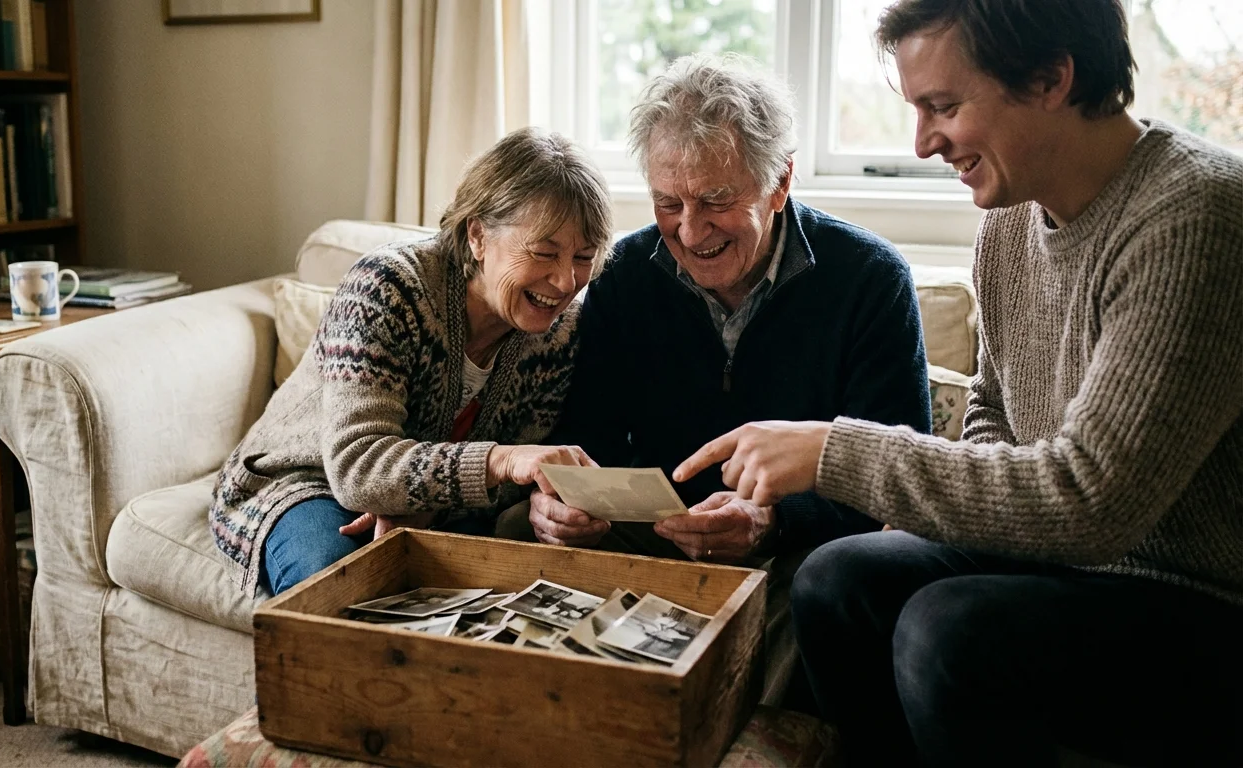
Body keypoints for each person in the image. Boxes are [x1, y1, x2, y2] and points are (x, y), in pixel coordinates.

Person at [673, 1, 1243, 764]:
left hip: (1199, 595)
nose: (923, 141)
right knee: (837, 578)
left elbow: (1093, 500)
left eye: (943, 106)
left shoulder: (1196, 215)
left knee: (945, 630)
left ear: (1050, 79)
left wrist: (836, 452)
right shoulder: (1009, 222)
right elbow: (994, 413)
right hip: (1068, 565)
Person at [513, 54, 931, 704]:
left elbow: (899, 480)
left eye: (715, 201)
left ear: (781, 181)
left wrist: (773, 519)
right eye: (666, 202)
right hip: (656, 532)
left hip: (799, 546)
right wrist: (563, 500)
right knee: (515, 530)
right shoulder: (625, 272)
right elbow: (584, 435)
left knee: (828, 588)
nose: (688, 229)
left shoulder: (870, 279)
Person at [210, 127, 612, 596]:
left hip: (429, 498)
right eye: (544, 253)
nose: (565, 281)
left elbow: (519, 474)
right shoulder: (388, 288)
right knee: (344, 588)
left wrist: (428, 499)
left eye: (584, 257)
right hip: (305, 481)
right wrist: (495, 462)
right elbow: (358, 465)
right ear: (478, 235)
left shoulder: (559, 330)